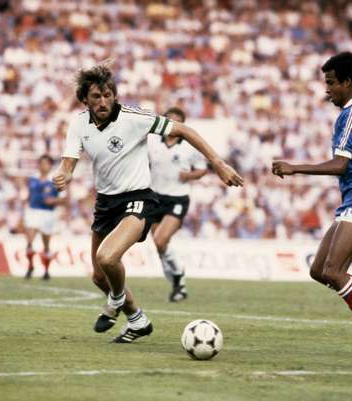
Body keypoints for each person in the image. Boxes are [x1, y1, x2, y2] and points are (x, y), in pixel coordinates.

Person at [52, 64, 243, 343]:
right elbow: (69, 162)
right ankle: (138, 320)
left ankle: (116, 300)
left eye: (107, 95)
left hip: (137, 198)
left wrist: (218, 163)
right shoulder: (79, 124)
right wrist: (64, 173)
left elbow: (184, 130)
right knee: (98, 277)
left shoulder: (135, 117)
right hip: (106, 202)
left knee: (108, 257)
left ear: (115, 95)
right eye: (96, 96)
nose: (103, 101)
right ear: (85, 100)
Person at [272, 52, 352, 362]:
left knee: (334, 270)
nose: (327, 89)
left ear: (347, 82)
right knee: (319, 270)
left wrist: (295, 168)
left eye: (331, 83)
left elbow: (341, 165)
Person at [148, 106, 208, 302]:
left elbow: (202, 169)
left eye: (176, 121)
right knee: (160, 247)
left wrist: (189, 175)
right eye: (168, 120)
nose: (171, 125)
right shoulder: (152, 141)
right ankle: (177, 284)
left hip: (177, 198)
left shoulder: (189, 145)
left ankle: (179, 274)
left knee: (160, 240)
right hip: (155, 197)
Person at [24, 154, 65, 280]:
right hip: (33, 211)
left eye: (45, 163)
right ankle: (30, 266)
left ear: (50, 165)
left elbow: (64, 199)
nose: (43, 166)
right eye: (41, 163)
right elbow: (30, 195)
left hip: (48, 214)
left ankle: (46, 271)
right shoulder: (33, 178)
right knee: (29, 241)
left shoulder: (55, 179)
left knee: (46, 244)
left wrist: (54, 200)